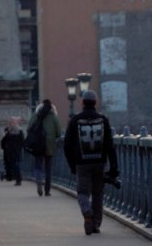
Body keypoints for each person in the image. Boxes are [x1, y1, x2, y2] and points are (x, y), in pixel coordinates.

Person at [64, 89, 119, 236]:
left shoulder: (75, 120)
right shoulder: (103, 120)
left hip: (82, 163)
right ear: (96, 103)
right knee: (97, 193)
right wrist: (114, 166)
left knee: (82, 192)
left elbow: (67, 144)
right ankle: (95, 223)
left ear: (82, 103)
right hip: (99, 162)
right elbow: (109, 145)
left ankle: (86, 210)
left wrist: (71, 164)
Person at [26, 98, 62, 197]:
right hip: (50, 145)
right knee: (48, 168)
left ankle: (38, 180)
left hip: (38, 144)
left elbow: (29, 128)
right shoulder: (53, 116)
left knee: (38, 165)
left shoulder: (36, 115)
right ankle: (47, 190)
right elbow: (59, 132)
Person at [0, 117, 24, 185]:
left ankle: (18, 180)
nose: (11, 123)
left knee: (16, 165)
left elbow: (22, 141)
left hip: (16, 151)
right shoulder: (9, 131)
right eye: (11, 122)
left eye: (13, 122)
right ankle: (15, 178)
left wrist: (18, 147)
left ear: (16, 122)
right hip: (10, 152)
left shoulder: (19, 130)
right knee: (13, 165)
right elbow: (5, 141)